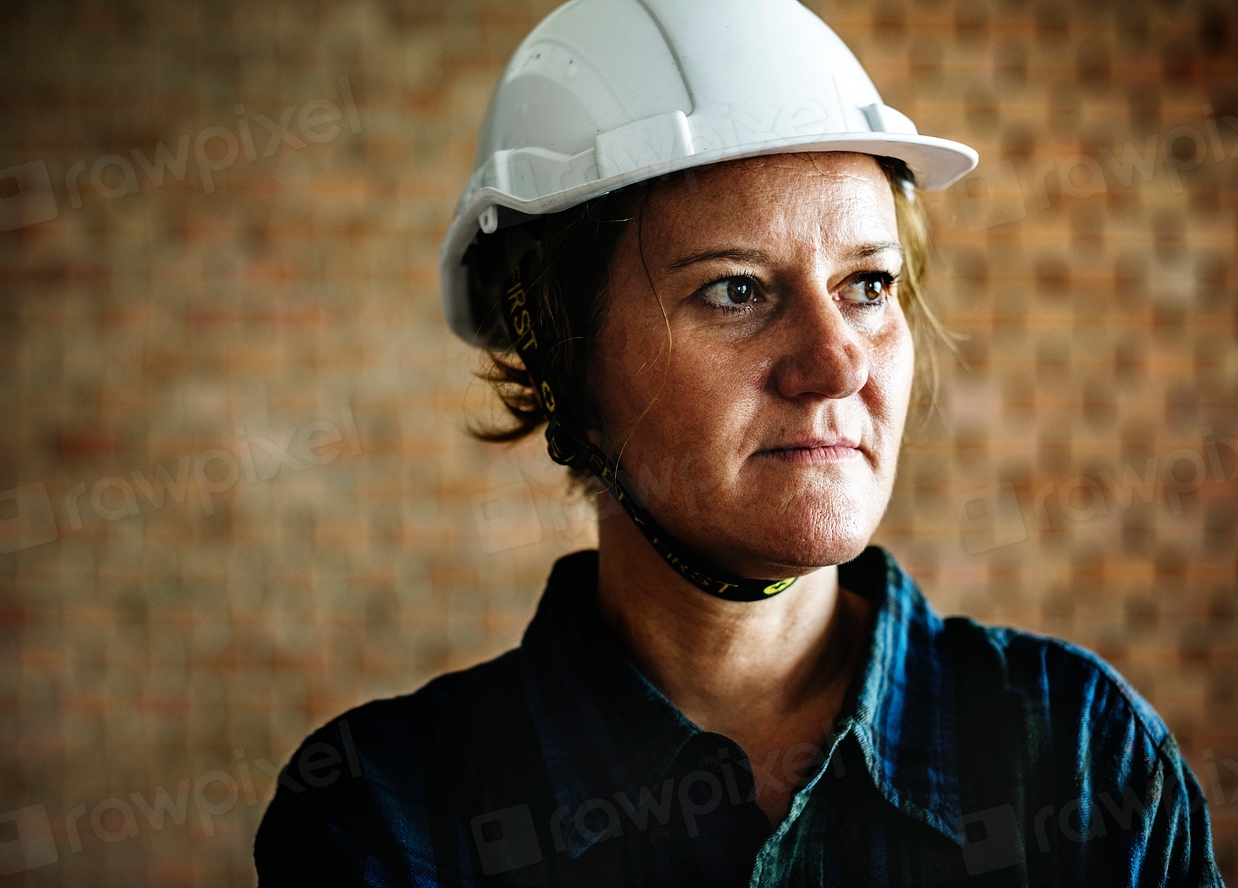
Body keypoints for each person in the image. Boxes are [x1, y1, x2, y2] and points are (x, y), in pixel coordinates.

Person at [255, 0, 1224, 884]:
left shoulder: (1085, 760)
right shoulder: (385, 821)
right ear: (563, 367)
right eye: (735, 290)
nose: (837, 363)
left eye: (869, 285)